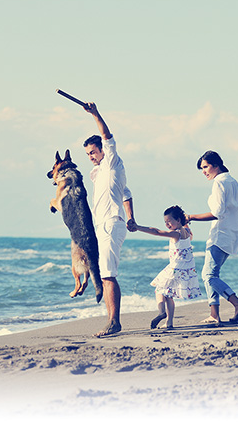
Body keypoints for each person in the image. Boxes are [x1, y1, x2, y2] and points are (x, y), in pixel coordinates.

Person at [83, 102, 135, 337]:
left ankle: (114, 323)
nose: (91, 157)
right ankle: (111, 321)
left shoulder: (113, 162)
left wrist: (95, 114)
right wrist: (131, 218)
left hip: (111, 223)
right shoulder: (98, 172)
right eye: (88, 154)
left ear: (103, 150)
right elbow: (126, 192)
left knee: (108, 274)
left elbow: (107, 135)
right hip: (102, 225)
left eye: (93, 152)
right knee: (105, 274)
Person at [186, 151, 238, 325]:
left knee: (208, 276)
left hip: (220, 235)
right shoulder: (233, 181)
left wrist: (191, 217)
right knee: (212, 274)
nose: (204, 172)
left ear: (216, 165)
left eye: (206, 167)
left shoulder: (219, 183)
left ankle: (236, 303)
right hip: (233, 235)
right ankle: (214, 315)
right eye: (202, 168)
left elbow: (217, 213)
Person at [128, 205, 201, 329]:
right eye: (165, 222)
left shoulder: (175, 234)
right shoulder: (187, 232)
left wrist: (138, 227)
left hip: (175, 268)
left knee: (159, 289)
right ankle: (169, 322)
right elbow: (188, 233)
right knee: (168, 295)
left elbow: (157, 232)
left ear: (178, 220)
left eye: (169, 221)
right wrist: (185, 221)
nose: (167, 224)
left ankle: (161, 312)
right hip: (186, 269)